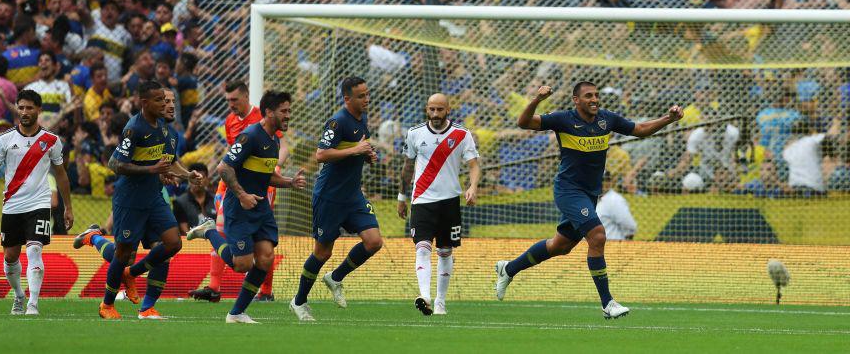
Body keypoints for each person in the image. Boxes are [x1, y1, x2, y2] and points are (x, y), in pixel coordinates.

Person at [494, 82, 683, 319]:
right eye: (588, 96)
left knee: (560, 246)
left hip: (590, 194)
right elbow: (523, 123)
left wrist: (668, 119)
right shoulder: (563, 119)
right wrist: (536, 100)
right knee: (597, 235)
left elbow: (641, 128)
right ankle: (608, 303)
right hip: (568, 190)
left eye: (596, 95)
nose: (594, 99)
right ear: (576, 100)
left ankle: (508, 268)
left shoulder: (607, 119)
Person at [186, 90, 306, 323]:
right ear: (269, 112)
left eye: (289, 110)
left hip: (260, 208)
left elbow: (266, 175)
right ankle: (209, 230)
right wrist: (241, 195)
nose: (288, 115)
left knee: (265, 258)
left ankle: (237, 313)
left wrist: (289, 182)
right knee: (242, 265)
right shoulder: (250, 135)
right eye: (284, 111)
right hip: (239, 207)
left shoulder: (274, 139)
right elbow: (223, 168)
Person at [90, 80, 203, 320]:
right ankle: (107, 304)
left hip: (153, 197)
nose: (165, 104)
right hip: (130, 199)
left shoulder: (164, 129)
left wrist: (188, 175)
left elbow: (168, 162)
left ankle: (133, 275)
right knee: (123, 254)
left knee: (173, 243)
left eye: (167, 100)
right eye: (160, 100)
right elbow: (114, 164)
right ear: (145, 103)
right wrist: (151, 170)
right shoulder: (134, 128)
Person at [289, 76, 382, 321]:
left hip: (352, 196)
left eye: (367, 94)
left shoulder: (362, 121)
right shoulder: (337, 121)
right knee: (322, 253)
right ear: (347, 99)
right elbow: (321, 154)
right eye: (361, 96)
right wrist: (357, 151)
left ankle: (336, 277)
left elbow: (357, 150)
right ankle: (299, 302)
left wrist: (367, 156)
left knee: (374, 241)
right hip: (329, 197)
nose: (366, 99)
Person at [0, 89, 74, 315]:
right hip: (12, 204)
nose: (24, 112)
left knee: (34, 250)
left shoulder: (51, 141)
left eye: (29, 108)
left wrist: (68, 207)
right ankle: (19, 296)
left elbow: (61, 174)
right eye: (21, 107)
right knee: (10, 257)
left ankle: (33, 303)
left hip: (39, 203)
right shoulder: (4, 139)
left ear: (38, 110)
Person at [398, 93, 481, 316]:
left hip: (449, 202)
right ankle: (424, 296)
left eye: (439, 110)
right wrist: (401, 197)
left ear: (448, 110)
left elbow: (474, 165)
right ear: (426, 109)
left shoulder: (461, 134)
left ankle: (440, 301)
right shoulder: (414, 133)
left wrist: (472, 187)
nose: (435, 114)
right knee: (422, 247)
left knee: (445, 251)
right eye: (431, 109)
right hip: (422, 200)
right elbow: (407, 167)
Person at [188, 81, 261, 303]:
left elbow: (278, 146)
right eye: (227, 100)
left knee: (260, 236)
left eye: (235, 100)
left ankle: (264, 290)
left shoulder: (261, 118)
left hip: (258, 185)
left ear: (247, 96)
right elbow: (232, 156)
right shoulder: (229, 122)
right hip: (230, 184)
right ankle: (214, 287)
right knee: (221, 230)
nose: (230, 105)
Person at [173, 163, 215, 234]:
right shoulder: (179, 202)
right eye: (193, 178)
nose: (197, 181)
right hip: (191, 243)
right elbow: (184, 230)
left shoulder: (215, 199)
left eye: (200, 177)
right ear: (188, 179)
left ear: (207, 179)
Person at [596, 172, 637, 240]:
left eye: (607, 180)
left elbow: (630, 226)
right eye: (602, 180)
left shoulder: (615, 200)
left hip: (611, 245)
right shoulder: (592, 198)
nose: (605, 183)